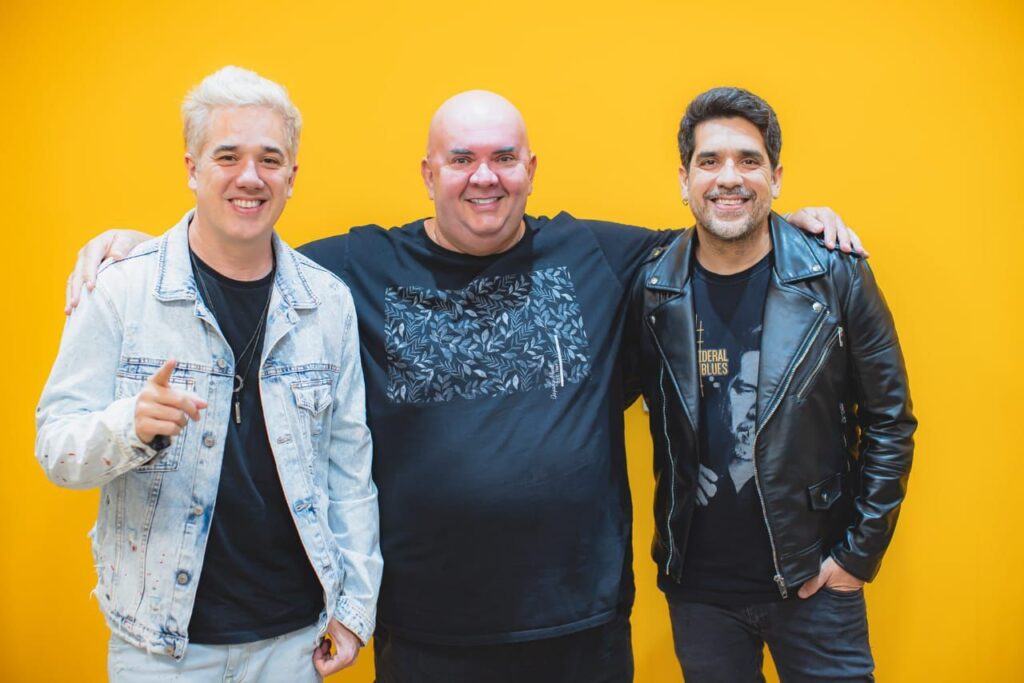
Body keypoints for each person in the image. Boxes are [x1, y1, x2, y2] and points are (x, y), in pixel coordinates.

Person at [64, 87, 862, 682]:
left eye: (504, 158)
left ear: (530, 169)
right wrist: (138, 246)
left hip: (580, 627)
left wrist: (798, 222)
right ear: (428, 172)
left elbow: (722, 233)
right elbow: (241, 243)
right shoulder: (356, 268)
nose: (485, 177)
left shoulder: (600, 255)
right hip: (426, 632)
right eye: (461, 159)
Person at [36, 66, 381, 681]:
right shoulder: (121, 290)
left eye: (269, 159)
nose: (250, 176)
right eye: (228, 156)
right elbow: (56, 450)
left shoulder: (327, 303)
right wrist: (129, 427)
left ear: (291, 176)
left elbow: (349, 469)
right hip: (158, 646)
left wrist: (355, 609)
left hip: (293, 643)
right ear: (192, 168)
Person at [631, 86, 915, 682]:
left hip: (816, 584)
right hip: (699, 594)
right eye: (709, 161)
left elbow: (890, 421)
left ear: (776, 177)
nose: (728, 178)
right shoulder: (652, 287)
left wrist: (856, 558)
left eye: (749, 160)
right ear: (684, 179)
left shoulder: (835, 274)